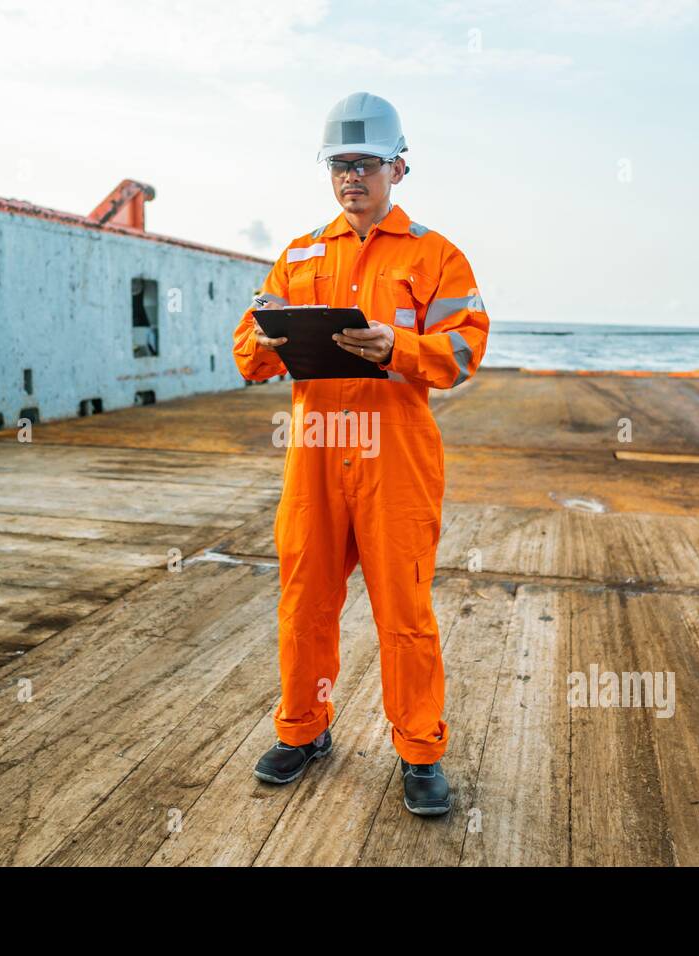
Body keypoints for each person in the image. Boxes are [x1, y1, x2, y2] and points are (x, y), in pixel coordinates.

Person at [231, 92, 489, 816]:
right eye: (341, 166)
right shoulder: (299, 254)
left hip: (395, 460)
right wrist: (270, 341)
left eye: (367, 165)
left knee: (403, 609)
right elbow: (245, 353)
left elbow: (465, 349)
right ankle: (304, 730)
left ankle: (419, 752)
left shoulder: (436, 256)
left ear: (398, 168)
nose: (353, 178)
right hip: (316, 455)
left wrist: (398, 347)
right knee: (304, 603)